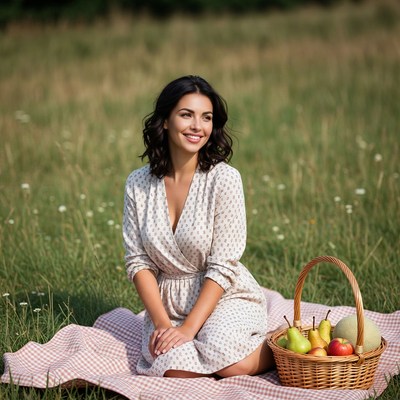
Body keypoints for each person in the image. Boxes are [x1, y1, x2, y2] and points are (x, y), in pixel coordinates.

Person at [122, 75, 275, 378]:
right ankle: (194, 344)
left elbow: (223, 264)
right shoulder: (137, 183)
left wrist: (190, 329)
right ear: (165, 121)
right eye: (186, 115)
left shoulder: (224, 179)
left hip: (223, 294)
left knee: (232, 364)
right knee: (172, 367)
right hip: (168, 303)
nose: (198, 127)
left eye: (206, 118)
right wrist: (165, 325)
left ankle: (279, 343)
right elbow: (138, 262)